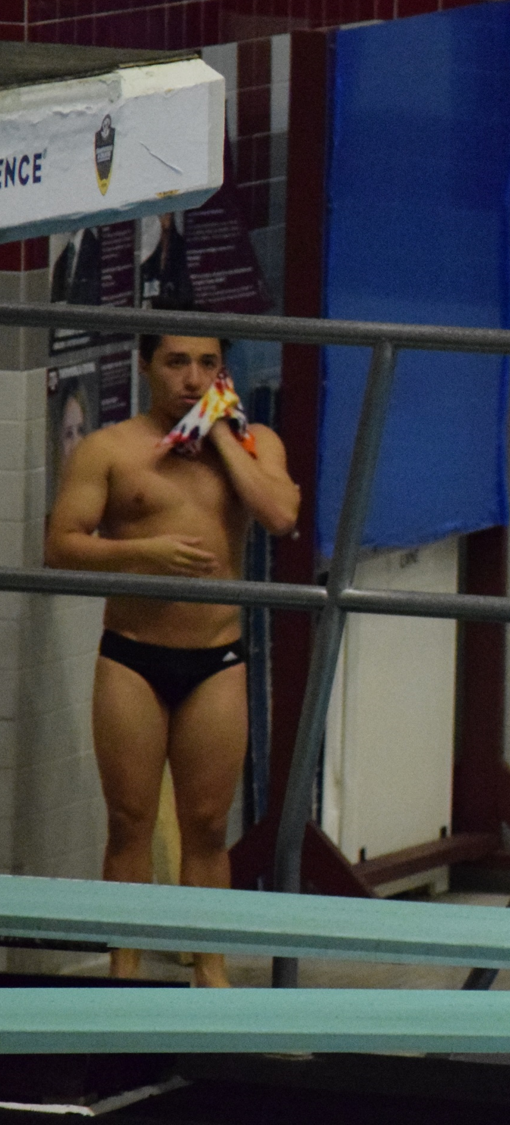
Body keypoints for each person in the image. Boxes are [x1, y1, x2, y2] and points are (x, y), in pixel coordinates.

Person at [45, 331, 298, 985]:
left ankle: (209, 971)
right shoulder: (110, 449)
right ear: (145, 366)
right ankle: (124, 971)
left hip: (215, 658)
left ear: (223, 370)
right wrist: (143, 553)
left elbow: (279, 514)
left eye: (207, 364)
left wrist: (217, 435)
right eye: (176, 362)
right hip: (132, 657)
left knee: (208, 825)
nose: (192, 377)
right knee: (129, 820)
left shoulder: (254, 442)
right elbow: (61, 546)